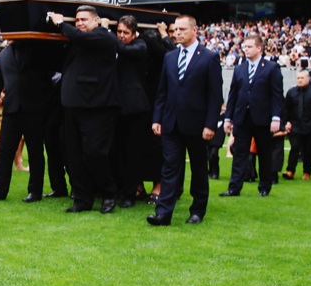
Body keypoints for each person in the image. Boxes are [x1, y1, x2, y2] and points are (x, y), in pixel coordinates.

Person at [149, 15, 222, 226]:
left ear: (194, 31)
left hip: (198, 125)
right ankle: (163, 213)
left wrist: (210, 124)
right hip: (171, 124)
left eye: (182, 29)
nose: (177, 33)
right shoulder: (170, 58)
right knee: (170, 168)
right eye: (175, 30)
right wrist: (157, 118)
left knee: (199, 169)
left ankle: (197, 210)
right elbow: (162, 91)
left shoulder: (209, 57)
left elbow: (214, 96)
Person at [48, 6, 121, 214]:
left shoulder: (103, 37)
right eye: (77, 20)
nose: (79, 23)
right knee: (74, 155)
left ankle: (108, 192)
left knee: (95, 153)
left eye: (84, 19)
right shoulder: (76, 41)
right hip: (72, 105)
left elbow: (82, 38)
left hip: (97, 106)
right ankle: (82, 198)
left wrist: (61, 24)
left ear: (96, 21)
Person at [0, 40, 50, 203]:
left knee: (35, 152)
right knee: (4, 151)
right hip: (11, 109)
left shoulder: (35, 49)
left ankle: (35, 191)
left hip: (34, 109)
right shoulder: (4, 55)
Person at [220, 34, 283, 198]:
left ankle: (264, 186)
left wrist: (276, 118)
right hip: (242, 117)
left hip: (262, 118)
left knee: (264, 153)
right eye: (244, 47)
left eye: (249, 47)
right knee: (239, 153)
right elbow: (233, 94)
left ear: (259, 48)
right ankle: (234, 187)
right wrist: (228, 118)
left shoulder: (271, 68)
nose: (245, 49)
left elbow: (277, 95)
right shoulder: (240, 68)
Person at [112, 16, 152, 207]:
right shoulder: (116, 48)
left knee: (132, 152)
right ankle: (121, 189)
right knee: (117, 151)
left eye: (125, 33)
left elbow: (123, 50)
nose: (121, 36)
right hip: (116, 106)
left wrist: (107, 32)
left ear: (134, 33)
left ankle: (131, 193)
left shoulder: (140, 45)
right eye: (118, 32)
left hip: (135, 108)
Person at [282, 70, 311, 180]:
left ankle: (307, 172)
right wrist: (286, 122)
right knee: (294, 148)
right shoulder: (291, 92)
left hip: (310, 125)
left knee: (308, 150)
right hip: (295, 125)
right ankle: (290, 170)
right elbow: (286, 109)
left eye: (302, 78)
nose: (300, 80)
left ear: (308, 79)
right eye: (298, 78)